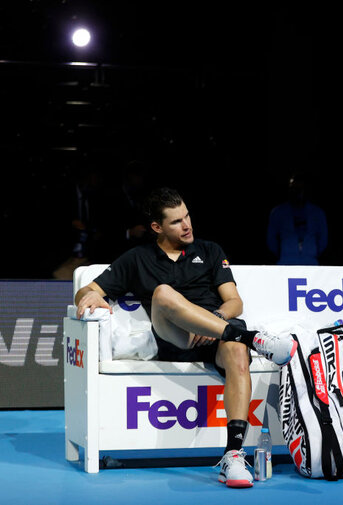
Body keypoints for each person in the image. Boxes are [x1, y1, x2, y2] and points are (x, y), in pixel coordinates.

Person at [74, 187, 297, 488]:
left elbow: (234, 302)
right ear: (157, 227)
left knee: (237, 354)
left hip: (215, 334)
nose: (187, 224)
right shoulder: (137, 258)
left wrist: (215, 322)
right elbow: (87, 290)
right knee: (163, 293)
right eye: (176, 221)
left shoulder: (209, 251)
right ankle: (253, 338)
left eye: (187, 216)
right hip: (173, 338)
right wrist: (87, 298)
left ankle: (233, 455)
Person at [267, 171, 328, 265]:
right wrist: (287, 253)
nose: (297, 193)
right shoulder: (278, 212)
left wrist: (310, 253)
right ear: (289, 190)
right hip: (286, 261)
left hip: (310, 262)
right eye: (294, 189)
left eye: (300, 189)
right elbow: (271, 240)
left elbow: (323, 240)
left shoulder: (317, 213)